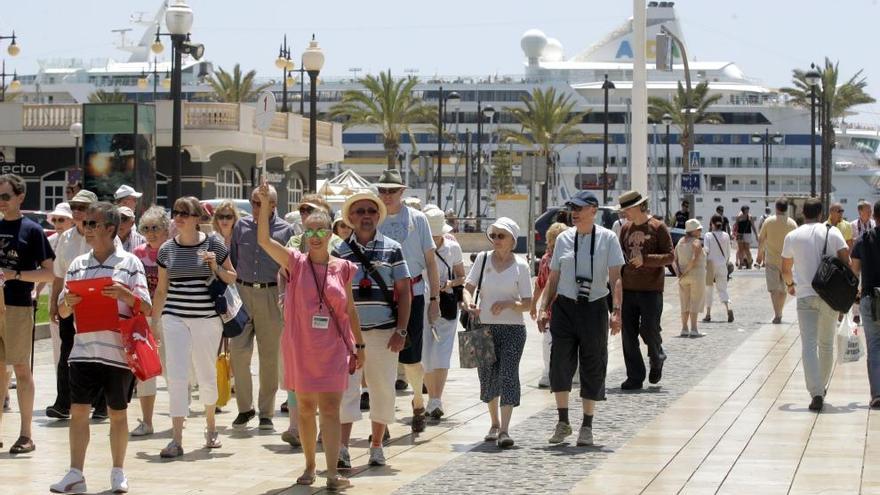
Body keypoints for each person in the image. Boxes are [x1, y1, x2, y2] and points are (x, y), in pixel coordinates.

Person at [254, 181, 364, 490]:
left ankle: (331, 473)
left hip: (333, 349)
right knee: (304, 410)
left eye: (321, 232)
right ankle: (309, 465)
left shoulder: (343, 267)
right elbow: (263, 240)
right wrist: (263, 204)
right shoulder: (295, 263)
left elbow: (351, 310)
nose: (315, 237)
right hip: (301, 348)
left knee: (330, 409)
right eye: (310, 232)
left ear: (330, 235)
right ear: (304, 236)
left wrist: (361, 344)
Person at [49, 202, 151, 494]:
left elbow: (145, 307)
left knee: (117, 412)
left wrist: (125, 294)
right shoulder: (78, 264)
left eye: (92, 224)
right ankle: (75, 473)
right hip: (83, 349)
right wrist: (66, 303)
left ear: (110, 228)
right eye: (85, 224)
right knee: (78, 410)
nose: (87, 229)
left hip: (117, 352)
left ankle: (118, 471)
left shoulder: (130, 263)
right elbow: (62, 312)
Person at [537, 191, 623, 447]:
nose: (574, 212)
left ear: (593, 210)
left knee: (593, 363)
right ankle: (563, 421)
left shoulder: (608, 239)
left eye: (580, 208)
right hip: (564, 306)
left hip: (595, 307)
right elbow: (553, 278)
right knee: (559, 363)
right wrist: (544, 307)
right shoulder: (563, 238)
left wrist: (616, 311)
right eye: (572, 207)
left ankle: (587, 425)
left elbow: (616, 278)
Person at [153, 196, 237, 458]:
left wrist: (214, 265)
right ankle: (176, 438)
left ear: (198, 217)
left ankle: (211, 426)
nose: (179, 217)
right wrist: (155, 322)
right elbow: (162, 289)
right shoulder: (166, 249)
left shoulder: (214, 244)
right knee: (176, 375)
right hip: (174, 318)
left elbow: (232, 276)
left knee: (205, 372)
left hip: (206, 319)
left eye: (185, 213)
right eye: (176, 212)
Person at [333, 191, 411, 468]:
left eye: (371, 211)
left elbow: (404, 292)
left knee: (383, 389)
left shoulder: (393, 248)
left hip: (383, 333)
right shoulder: (338, 252)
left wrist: (401, 331)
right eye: (360, 211)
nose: (366, 215)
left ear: (378, 215)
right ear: (350, 217)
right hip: (348, 336)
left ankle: (376, 445)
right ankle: (342, 448)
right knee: (346, 390)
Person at [375, 169, 441, 434]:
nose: (387, 195)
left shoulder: (418, 219)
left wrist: (435, 298)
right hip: (381, 295)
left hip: (413, 293)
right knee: (382, 359)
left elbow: (430, 261)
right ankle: (383, 419)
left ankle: (417, 400)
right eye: (383, 190)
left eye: (392, 190)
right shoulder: (372, 218)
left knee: (411, 357)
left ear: (402, 192)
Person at [462, 217, 531, 448]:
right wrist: (468, 302)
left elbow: (528, 304)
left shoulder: (521, 266)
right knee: (487, 375)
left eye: (502, 236)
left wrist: (509, 304)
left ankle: (505, 429)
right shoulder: (482, 260)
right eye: (494, 236)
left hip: (513, 329)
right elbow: (468, 288)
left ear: (513, 239)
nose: (497, 240)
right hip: (484, 326)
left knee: (508, 375)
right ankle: (493, 422)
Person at [228, 186, 293, 431]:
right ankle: (245, 408)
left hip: (271, 294)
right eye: (253, 202)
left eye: (261, 202)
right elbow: (232, 260)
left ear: (273, 205)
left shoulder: (285, 230)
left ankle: (266, 412)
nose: (255, 207)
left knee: (269, 357)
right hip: (243, 293)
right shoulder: (241, 226)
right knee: (239, 353)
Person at [0, 174, 55, 454]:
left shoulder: (32, 230)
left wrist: (16, 275)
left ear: (20, 197)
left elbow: (49, 271)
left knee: (21, 367)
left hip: (18, 305)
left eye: (5, 197)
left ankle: (25, 434)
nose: (1, 202)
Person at [781, 198, 849, 412]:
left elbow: (785, 267)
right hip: (829, 296)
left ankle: (816, 392)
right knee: (826, 344)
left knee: (808, 345)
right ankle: (822, 387)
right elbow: (846, 261)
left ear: (804, 213)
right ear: (821, 213)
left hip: (804, 295)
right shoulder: (833, 232)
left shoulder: (792, 236)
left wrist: (791, 285)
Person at [281, 194, 337, 445]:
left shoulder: (338, 246)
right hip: (299, 319)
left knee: (325, 379)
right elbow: (282, 269)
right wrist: (283, 295)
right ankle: (296, 427)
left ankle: (326, 429)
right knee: (297, 375)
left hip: (328, 324)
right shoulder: (294, 242)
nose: (305, 214)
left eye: (311, 211)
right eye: (303, 211)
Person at [47, 190, 106, 422]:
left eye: (82, 207)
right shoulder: (66, 238)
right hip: (70, 303)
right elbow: (58, 275)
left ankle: (101, 403)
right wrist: (53, 303)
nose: (77, 211)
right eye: (74, 206)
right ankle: (63, 402)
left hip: (97, 303)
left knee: (99, 352)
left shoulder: (105, 234)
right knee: (67, 353)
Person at [617, 190, 674, 390]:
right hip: (628, 289)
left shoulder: (658, 227)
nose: (624, 214)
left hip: (651, 290)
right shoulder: (624, 229)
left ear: (637, 207)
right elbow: (620, 256)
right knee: (628, 335)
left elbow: (670, 257)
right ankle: (635, 376)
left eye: (627, 210)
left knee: (649, 329)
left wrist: (646, 260)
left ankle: (656, 355)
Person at [129, 206, 171, 438]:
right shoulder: (137, 253)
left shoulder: (174, 250)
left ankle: (178, 416)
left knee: (171, 368)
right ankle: (146, 421)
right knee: (144, 371)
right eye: (146, 228)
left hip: (169, 316)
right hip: (143, 317)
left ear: (166, 229)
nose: (151, 233)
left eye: (155, 228)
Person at [422, 206, 465, 418]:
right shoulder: (418, 247)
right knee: (426, 353)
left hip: (446, 304)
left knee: (442, 351)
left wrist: (449, 283)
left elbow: (461, 277)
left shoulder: (453, 248)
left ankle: (436, 398)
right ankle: (431, 397)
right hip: (421, 303)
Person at [850, 200, 880, 410]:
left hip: (871, 298)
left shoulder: (863, 239)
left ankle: (877, 393)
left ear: (874, 216)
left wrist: (854, 296)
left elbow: (854, 271)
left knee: (874, 346)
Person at [531, 222, 568, 388]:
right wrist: (533, 305)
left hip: (567, 307)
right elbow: (540, 283)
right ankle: (547, 372)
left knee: (568, 341)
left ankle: (572, 372)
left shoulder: (570, 258)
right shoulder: (546, 259)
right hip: (550, 308)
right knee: (548, 341)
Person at [41, 203, 74, 369]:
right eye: (54, 219)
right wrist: (36, 292)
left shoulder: (78, 239)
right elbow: (46, 272)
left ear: (71, 220)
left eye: (61, 219)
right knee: (57, 344)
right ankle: (61, 384)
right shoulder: (49, 241)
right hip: (55, 295)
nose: (57, 223)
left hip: (74, 295)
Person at [756, 199, 798, 324]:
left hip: (771, 260)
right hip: (788, 261)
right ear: (787, 208)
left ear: (776, 208)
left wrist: (759, 255)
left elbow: (761, 239)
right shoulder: (792, 223)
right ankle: (780, 312)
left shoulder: (768, 221)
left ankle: (777, 314)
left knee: (774, 289)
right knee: (784, 288)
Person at [674, 219, 706, 337]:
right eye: (699, 229)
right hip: (696, 275)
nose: (700, 231)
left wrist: (679, 272)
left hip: (682, 277)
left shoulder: (680, 242)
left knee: (684, 302)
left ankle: (684, 328)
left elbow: (674, 259)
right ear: (693, 231)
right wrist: (686, 271)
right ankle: (694, 329)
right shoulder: (696, 242)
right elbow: (694, 259)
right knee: (695, 301)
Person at [704, 214, 735, 323]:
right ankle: (728, 309)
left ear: (712, 223)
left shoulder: (708, 235)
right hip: (722, 264)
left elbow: (706, 251)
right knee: (723, 289)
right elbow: (728, 253)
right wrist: (725, 263)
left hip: (710, 265)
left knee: (709, 289)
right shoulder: (726, 235)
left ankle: (708, 314)